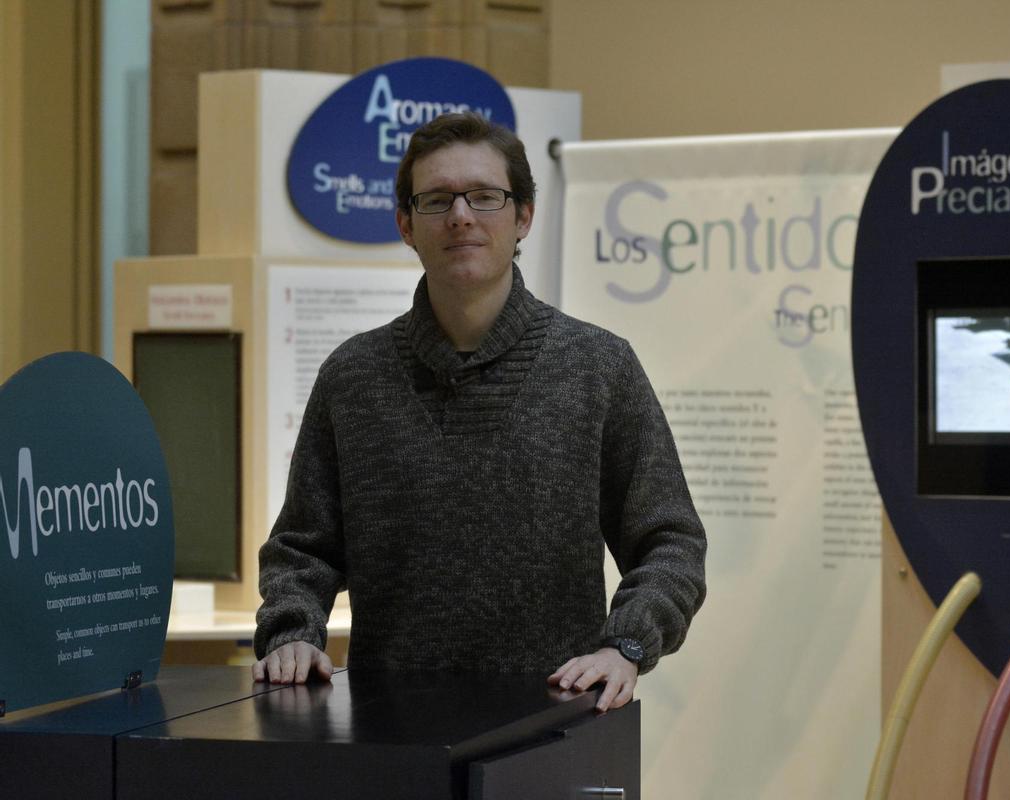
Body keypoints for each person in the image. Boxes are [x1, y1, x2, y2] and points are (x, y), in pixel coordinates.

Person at [252, 113, 707, 713]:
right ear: (406, 225)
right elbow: (301, 548)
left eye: (484, 197)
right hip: (390, 736)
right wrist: (292, 633)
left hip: (555, 726)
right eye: (437, 200)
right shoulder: (353, 376)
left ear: (523, 217)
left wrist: (626, 645)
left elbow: (670, 540)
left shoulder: (598, 367)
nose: (461, 215)